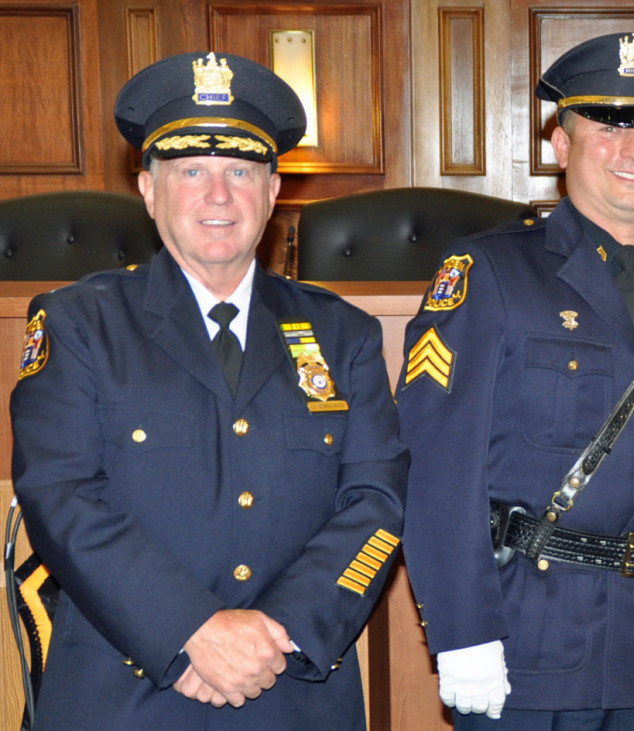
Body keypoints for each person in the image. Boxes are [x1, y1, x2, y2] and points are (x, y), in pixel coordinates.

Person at [10, 52, 407, 730]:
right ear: (147, 187)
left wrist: (276, 631)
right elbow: (60, 496)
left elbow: (377, 499)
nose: (218, 196)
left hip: (294, 687)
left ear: (274, 189)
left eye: (241, 172)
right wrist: (191, 628)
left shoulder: (344, 334)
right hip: (123, 695)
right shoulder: (79, 323)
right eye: (191, 170)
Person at [397, 31, 634, 731]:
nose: (633, 151)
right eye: (606, 128)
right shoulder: (489, 274)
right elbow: (436, 465)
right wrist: (462, 632)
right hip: (524, 649)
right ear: (560, 145)